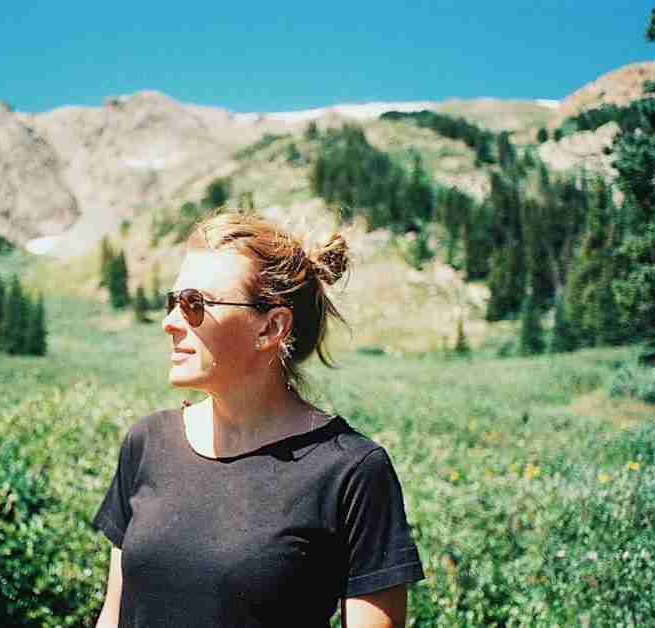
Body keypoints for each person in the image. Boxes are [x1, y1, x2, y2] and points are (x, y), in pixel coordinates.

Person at [92, 210, 424, 627]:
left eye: (195, 304)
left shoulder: (352, 472)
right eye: (172, 302)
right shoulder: (147, 443)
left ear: (271, 328)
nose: (170, 322)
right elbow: (113, 616)